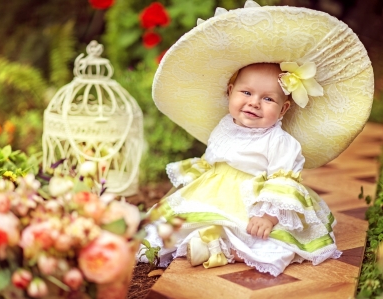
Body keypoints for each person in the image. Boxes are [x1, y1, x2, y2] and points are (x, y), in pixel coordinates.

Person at [139, 0, 374, 276]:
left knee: (262, 236)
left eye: (268, 99)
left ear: (284, 108)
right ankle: (205, 241)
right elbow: (212, 159)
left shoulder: (280, 143)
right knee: (185, 217)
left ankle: (223, 249)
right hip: (214, 190)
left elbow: (283, 182)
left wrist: (269, 215)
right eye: (246, 93)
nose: (254, 103)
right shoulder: (225, 124)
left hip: (254, 198)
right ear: (230, 91)